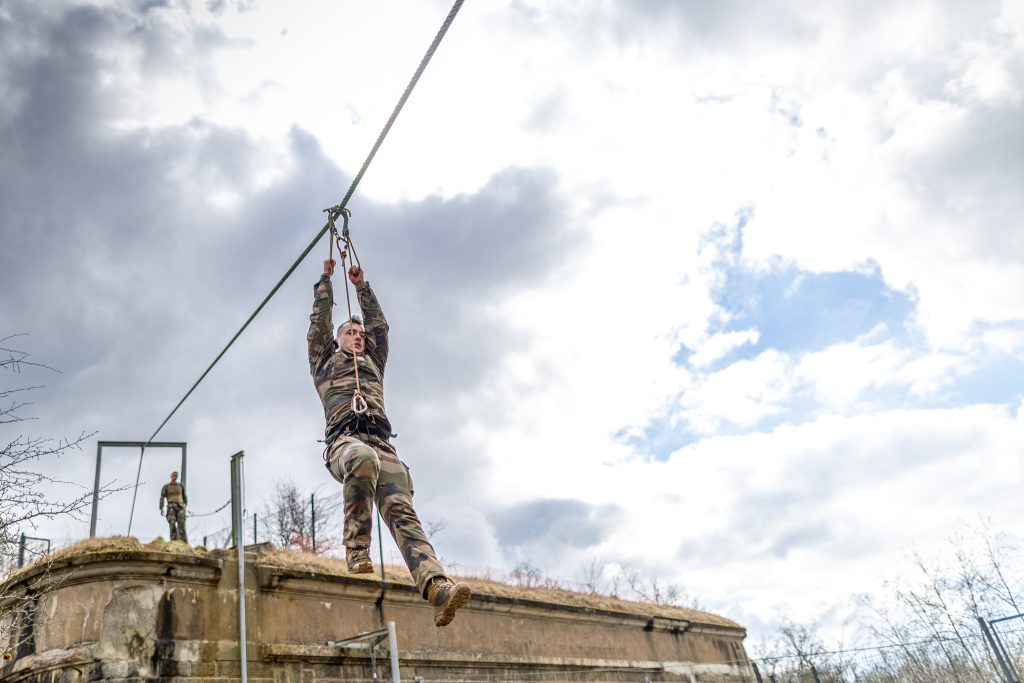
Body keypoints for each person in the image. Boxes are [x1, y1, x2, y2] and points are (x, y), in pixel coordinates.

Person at [308, 258, 471, 627]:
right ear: (337, 339)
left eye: (360, 334)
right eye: (350, 332)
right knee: (362, 458)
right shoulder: (324, 362)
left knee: (403, 511)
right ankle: (356, 550)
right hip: (346, 443)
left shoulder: (373, 362)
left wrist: (362, 287)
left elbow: (379, 326)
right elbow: (318, 324)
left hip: (382, 444)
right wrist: (326, 280)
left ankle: (437, 587)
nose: (358, 336)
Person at [159, 471, 188, 543]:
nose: (175, 477)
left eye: (176, 476)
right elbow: (162, 497)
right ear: (171, 476)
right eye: (174, 475)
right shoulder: (166, 486)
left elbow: (184, 496)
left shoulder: (180, 486)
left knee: (181, 524)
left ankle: (183, 542)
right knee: (172, 523)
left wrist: (185, 504)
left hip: (180, 507)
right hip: (171, 507)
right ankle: (173, 541)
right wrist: (161, 507)